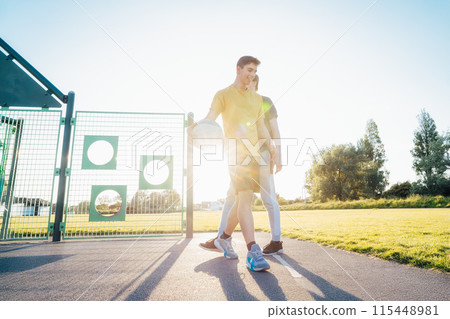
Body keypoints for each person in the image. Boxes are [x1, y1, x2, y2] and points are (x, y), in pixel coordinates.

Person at [191, 56, 272, 271]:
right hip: (235, 154)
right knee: (244, 200)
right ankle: (253, 252)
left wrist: (272, 150)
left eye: (254, 71)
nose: (252, 75)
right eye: (249, 70)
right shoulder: (223, 94)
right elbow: (210, 119)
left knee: (242, 201)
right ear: (238, 69)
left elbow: (262, 128)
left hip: (253, 155)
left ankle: (224, 238)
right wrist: (196, 129)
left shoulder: (257, 99)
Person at [199, 74, 283, 256]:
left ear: (255, 83)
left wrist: (278, 154)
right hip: (241, 155)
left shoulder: (263, 101)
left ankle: (276, 241)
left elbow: (274, 129)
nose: (245, 83)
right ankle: (222, 238)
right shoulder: (238, 100)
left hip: (262, 153)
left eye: (250, 80)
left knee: (267, 197)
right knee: (232, 196)